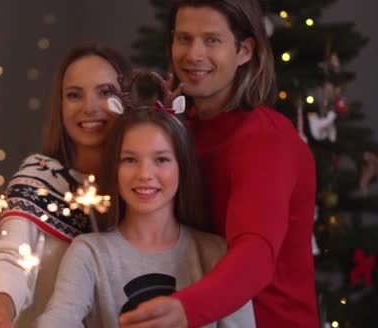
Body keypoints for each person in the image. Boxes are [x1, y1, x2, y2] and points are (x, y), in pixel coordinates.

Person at [119, 1, 319, 327]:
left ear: (244, 50)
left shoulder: (265, 139)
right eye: (184, 39)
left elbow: (255, 252)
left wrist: (185, 308)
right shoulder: (177, 133)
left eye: (212, 40)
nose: (194, 54)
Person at [35, 82, 255, 328]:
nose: (144, 174)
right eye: (129, 160)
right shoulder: (90, 254)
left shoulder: (215, 254)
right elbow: (59, 318)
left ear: (182, 167)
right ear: (114, 168)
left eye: (161, 159)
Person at [0, 43, 132, 328]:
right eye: (74, 95)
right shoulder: (39, 180)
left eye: (106, 92)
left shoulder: (144, 188)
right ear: (60, 105)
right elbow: (9, 254)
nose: (89, 107)